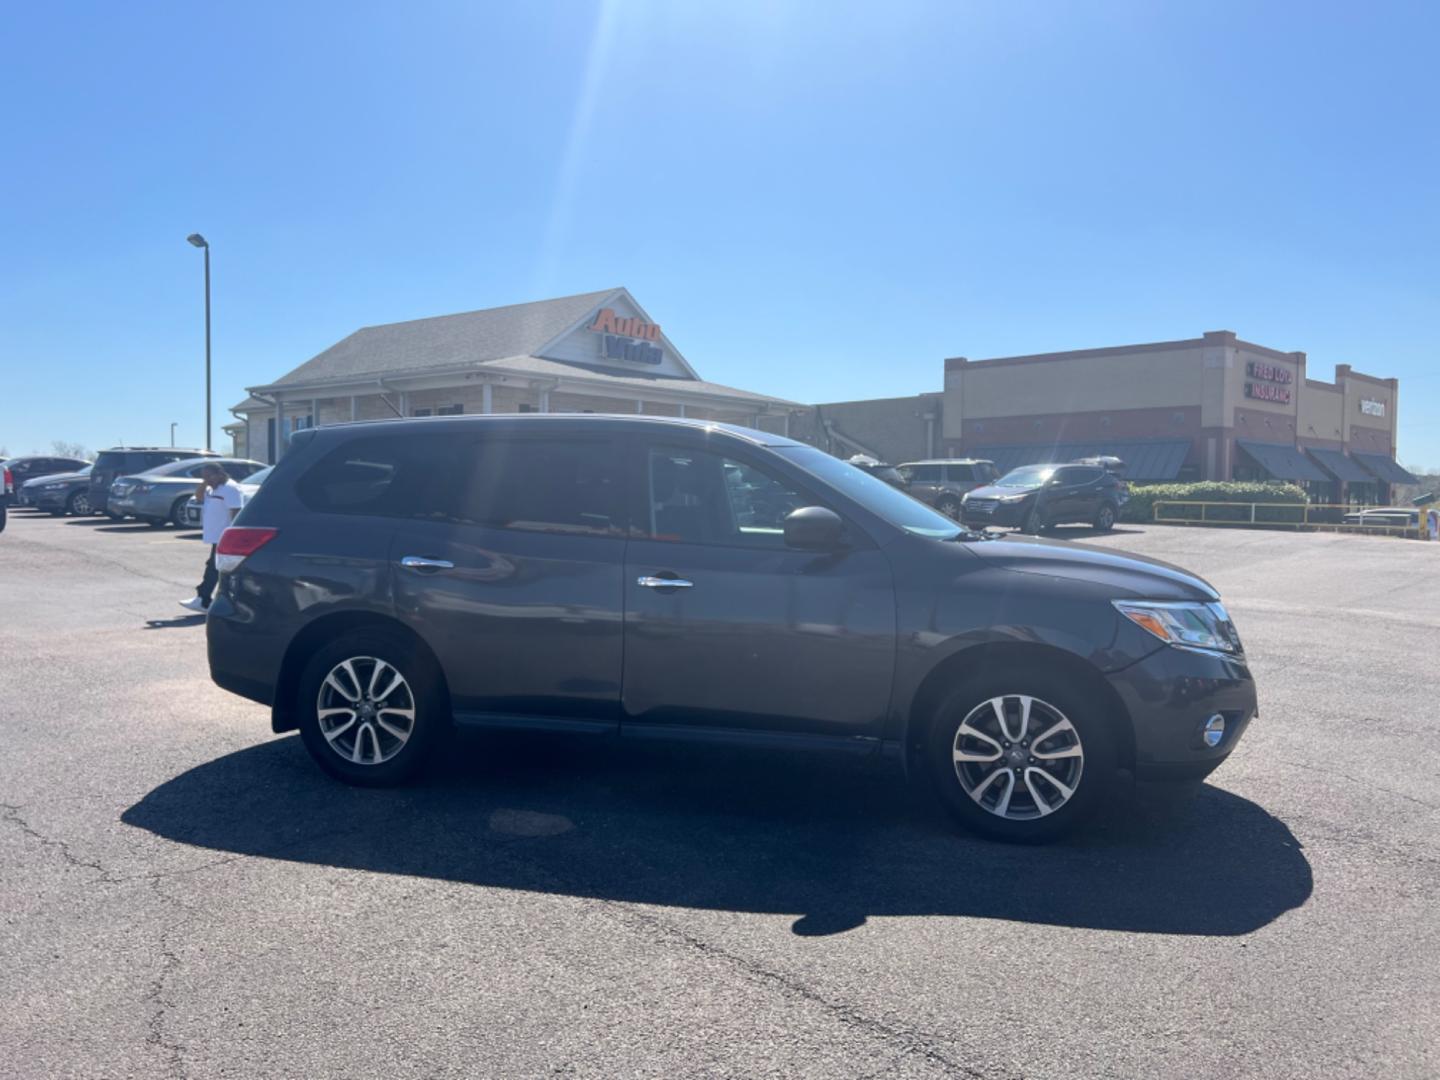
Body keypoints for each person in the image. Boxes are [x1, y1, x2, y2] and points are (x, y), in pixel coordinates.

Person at [179, 464, 243, 612]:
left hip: (225, 536)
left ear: (220, 473)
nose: (207, 480)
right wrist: (204, 483)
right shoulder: (211, 487)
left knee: (215, 567)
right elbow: (199, 497)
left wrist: (232, 536)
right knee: (215, 567)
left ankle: (204, 599)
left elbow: (236, 512)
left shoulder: (230, 488)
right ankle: (206, 599)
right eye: (204, 477)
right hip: (214, 536)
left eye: (210, 476)